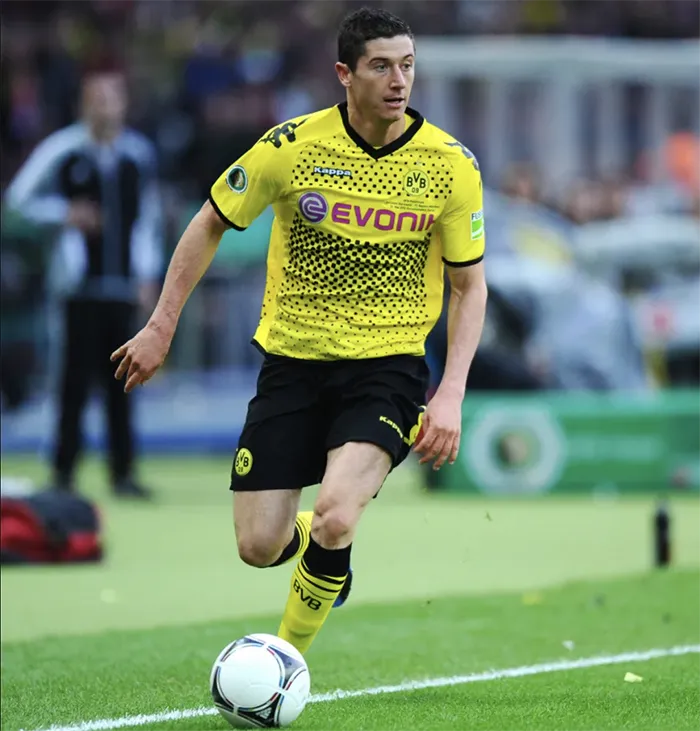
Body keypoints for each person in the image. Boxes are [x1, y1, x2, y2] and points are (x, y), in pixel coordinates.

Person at [112, 7, 487, 654]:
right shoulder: (292, 147)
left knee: (339, 514)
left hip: (387, 367)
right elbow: (209, 221)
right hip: (292, 363)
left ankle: (285, 659)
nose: (399, 80)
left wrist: (450, 391)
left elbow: (468, 286)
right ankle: (324, 543)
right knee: (259, 545)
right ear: (344, 73)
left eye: (407, 65)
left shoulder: (449, 165)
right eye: (381, 66)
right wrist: (160, 326)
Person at [5, 68, 162, 499]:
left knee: (123, 384)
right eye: (97, 99)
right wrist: (64, 214)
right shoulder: (62, 152)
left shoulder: (137, 156)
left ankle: (123, 472)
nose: (105, 108)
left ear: (124, 104)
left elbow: (146, 221)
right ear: (83, 105)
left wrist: (147, 275)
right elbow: (18, 200)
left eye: (112, 98)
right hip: (76, 288)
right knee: (71, 383)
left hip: (122, 287)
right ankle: (63, 473)